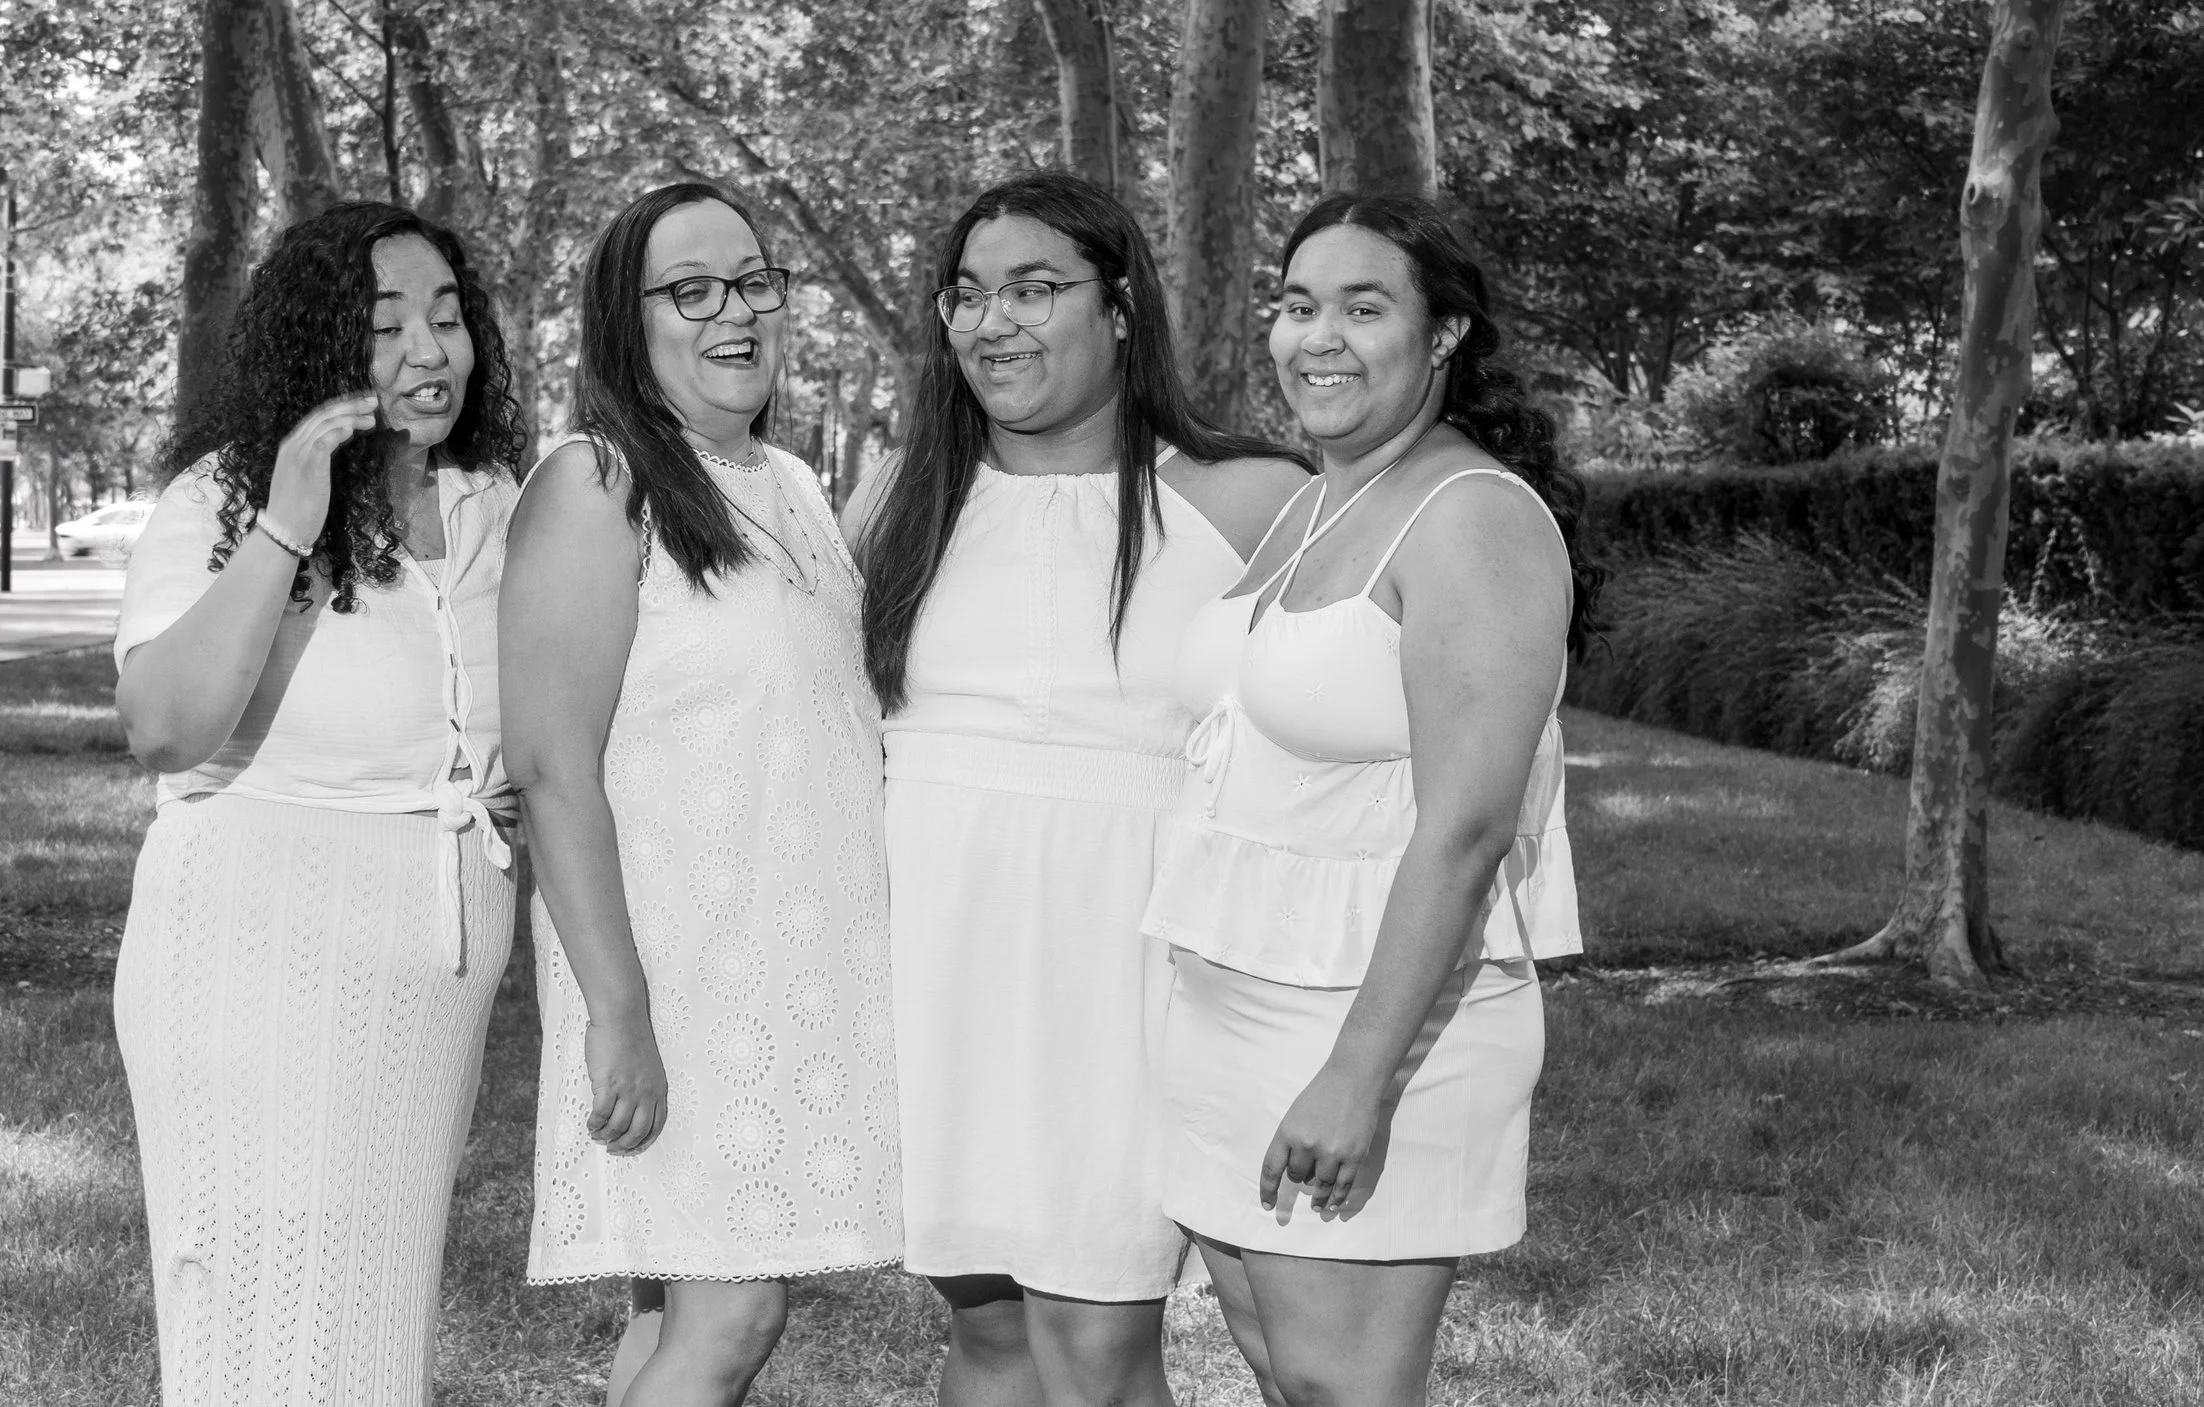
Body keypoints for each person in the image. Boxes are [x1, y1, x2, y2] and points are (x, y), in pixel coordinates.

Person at [846, 170, 1311, 1407]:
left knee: (1099, 1343)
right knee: (990, 1334)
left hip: (1133, 963)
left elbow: (1352, 712)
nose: (994, 321)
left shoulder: (1249, 500)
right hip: (938, 957)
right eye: (968, 295)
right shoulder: (896, 503)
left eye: (1034, 289)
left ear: (1118, 310)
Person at [1138, 192, 1595, 1407]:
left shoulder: (1474, 521)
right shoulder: (1311, 496)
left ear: (1442, 334)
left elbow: (1466, 829)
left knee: (1343, 1389)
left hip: (1369, 1024)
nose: (1316, 336)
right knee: (1289, 1373)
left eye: (1361, 305)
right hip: (1233, 1003)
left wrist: (1358, 1076)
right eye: (1296, 305)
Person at [110, 200, 527, 1406]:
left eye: (448, 318)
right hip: (254, 953)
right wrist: (290, 522)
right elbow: (164, 727)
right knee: (256, 1306)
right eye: (386, 325)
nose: (430, 351)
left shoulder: (498, 503)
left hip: (436, 966)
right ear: (318, 349)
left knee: (371, 1324)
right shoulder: (221, 499)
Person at [501, 182, 899, 1407]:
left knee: (676, 1303)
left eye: (753, 280)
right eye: (690, 290)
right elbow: (553, 766)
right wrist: (619, 1010)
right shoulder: (595, 483)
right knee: (732, 1311)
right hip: (676, 973)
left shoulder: (785, 480)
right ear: (627, 323)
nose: (733, 311)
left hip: (786, 965)